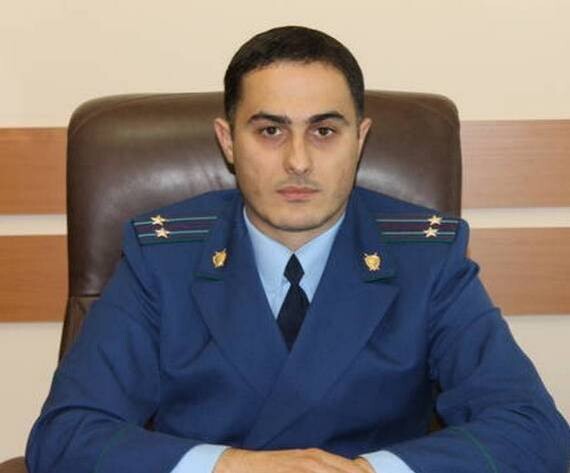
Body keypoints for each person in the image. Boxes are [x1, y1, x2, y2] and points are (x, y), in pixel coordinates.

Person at [26, 26, 569, 473]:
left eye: (325, 131)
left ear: (360, 139)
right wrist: (229, 467)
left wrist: (368, 472)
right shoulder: (163, 257)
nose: (298, 162)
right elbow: (67, 434)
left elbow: (533, 430)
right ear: (228, 141)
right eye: (270, 131)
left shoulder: (426, 259)